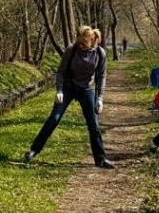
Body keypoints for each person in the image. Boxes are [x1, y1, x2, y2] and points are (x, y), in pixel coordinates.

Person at [24, 25, 114, 169]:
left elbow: (101, 76)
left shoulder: (99, 53)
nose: (80, 45)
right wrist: (59, 91)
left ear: (92, 41)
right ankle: (34, 150)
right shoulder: (71, 50)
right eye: (78, 42)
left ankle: (101, 159)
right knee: (54, 118)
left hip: (87, 89)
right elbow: (60, 71)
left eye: (84, 44)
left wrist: (100, 98)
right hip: (68, 88)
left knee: (94, 125)